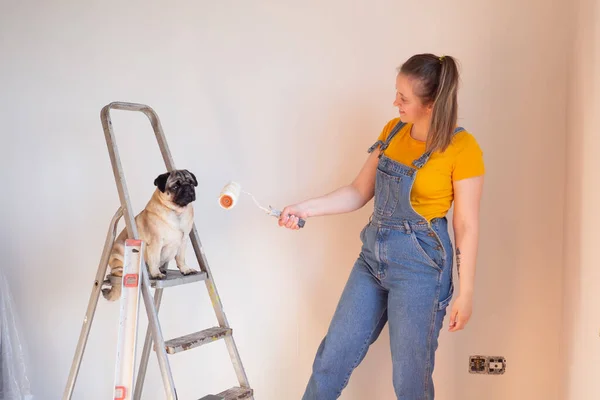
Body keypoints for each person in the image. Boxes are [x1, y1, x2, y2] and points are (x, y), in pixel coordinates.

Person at [278, 53, 485, 399]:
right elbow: (358, 191)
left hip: (422, 269)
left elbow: (466, 224)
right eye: (396, 93)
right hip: (372, 260)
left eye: (403, 98)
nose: (395, 103)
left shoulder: (462, 148)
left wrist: (466, 291)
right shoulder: (392, 132)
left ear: (431, 104)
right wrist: (304, 208)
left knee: (410, 382)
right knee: (331, 359)